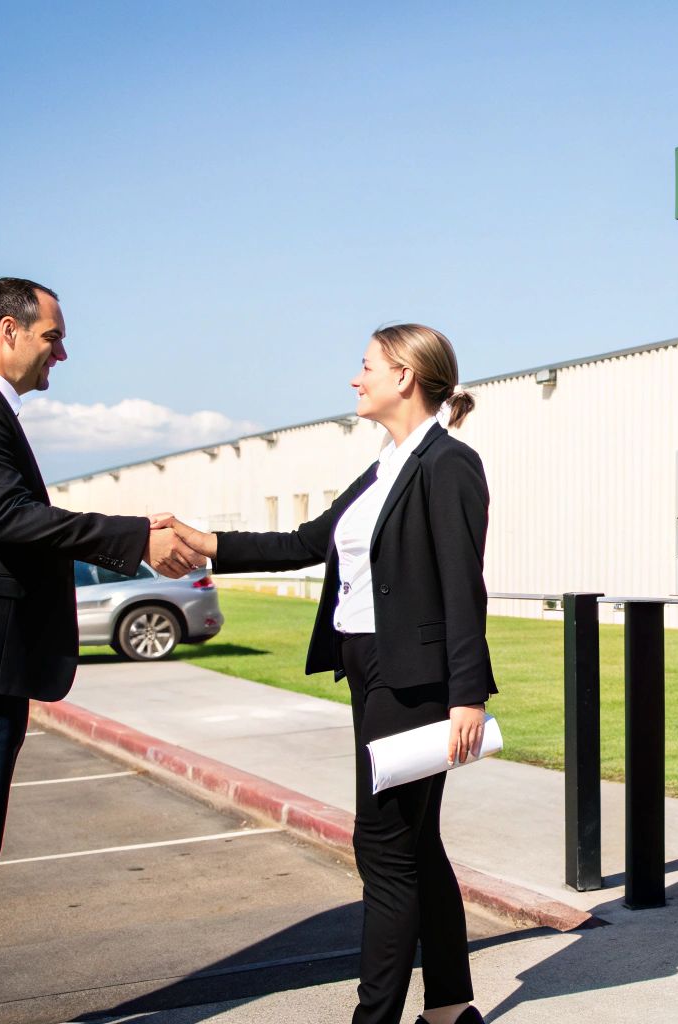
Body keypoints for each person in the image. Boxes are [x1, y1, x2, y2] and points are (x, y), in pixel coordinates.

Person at [0, 277, 206, 1024]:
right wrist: (135, 538)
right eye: (53, 336)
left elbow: (14, 518)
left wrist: (130, 532)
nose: (62, 352)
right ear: (8, 331)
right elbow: (10, 517)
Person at [159, 323, 494, 1024]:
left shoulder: (447, 464)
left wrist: (466, 694)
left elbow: (464, 586)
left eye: (366, 365)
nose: (355, 378)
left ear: (405, 375)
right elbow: (303, 543)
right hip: (368, 668)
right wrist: (204, 539)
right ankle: (451, 1007)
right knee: (412, 841)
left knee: (383, 848)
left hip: (415, 681)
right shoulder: (385, 467)